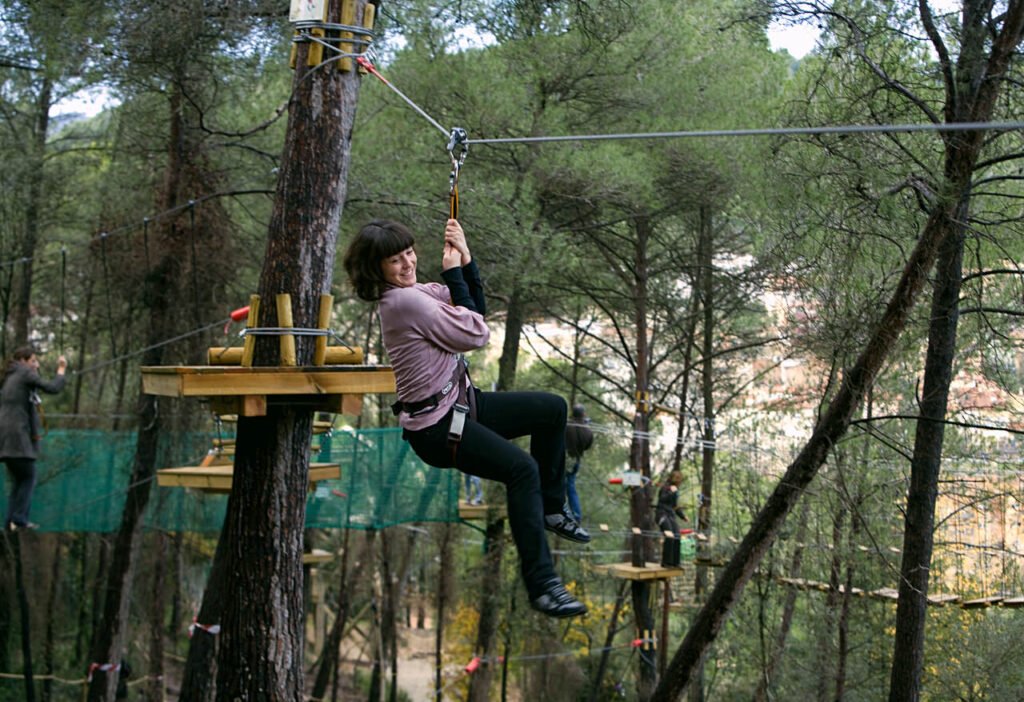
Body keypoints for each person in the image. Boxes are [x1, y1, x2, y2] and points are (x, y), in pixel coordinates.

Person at [344, 218, 589, 618]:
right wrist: (455, 271)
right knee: (522, 469)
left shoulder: (416, 293)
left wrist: (464, 260)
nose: (407, 263)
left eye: (409, 253)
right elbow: (475, 334)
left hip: (460, 405)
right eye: (394, 260)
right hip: (439, 429)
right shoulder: (405, 303)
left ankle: (552, 507)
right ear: (378, 269)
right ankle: (543, 586)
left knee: (552, 409)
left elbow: (472, 306)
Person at [1, 346, 67, 531]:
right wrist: (61, 370)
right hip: (17, 436)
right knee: (29, 477)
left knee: (19, 480)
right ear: (23, 361)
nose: (36, 365)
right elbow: (53, 388)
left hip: (5, 438)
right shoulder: (23, 373)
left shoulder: (10, 375)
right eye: (33, 361)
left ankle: (11, 521)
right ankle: (20, 519)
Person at [564, 403, 593, 522]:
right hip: (576, 460)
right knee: (570, 487)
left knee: (561, 485)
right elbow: (587, 446)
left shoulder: (566, 426)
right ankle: (576, 514)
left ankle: (558, 510)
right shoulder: (588, 431)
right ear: (583, 414)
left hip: (564, 459)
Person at [655, 470, 688, 566]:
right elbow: (662, 499)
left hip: (670, 515)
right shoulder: (665, 487)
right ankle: (666, 562)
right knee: (669, 535)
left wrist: (682, 516)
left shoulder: (675, 490)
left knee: (677, 535)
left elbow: (674, 506)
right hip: (662, 514)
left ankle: (675, 562)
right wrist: (671, 492)